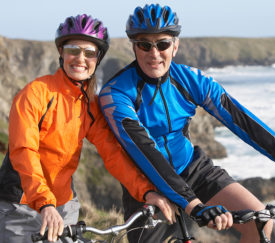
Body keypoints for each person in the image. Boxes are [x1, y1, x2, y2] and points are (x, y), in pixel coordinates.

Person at [99, 4, 275, 243]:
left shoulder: (190, 80)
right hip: (147, 185)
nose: (154, 53)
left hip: (194, 170)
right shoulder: (116, 94)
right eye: (144, 45)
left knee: (264, 225)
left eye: (162, 44)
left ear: (175, 46)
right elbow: (146, 152)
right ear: (134, 47)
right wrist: (193, 205)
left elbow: (243, 122)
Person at [0, 14, 175, 243]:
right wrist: (45, 202)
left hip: (63, 207)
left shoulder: (89, 104)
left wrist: (146, 191)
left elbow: (112, 153)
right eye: (73, 50)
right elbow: (24, 151)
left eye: (90, 53)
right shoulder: (35, 94)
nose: (80, 58)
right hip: (20, 205)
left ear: (97, 58)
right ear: (61, 53)